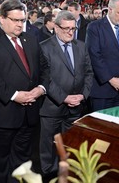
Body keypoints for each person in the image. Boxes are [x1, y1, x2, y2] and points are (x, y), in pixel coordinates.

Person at [0, 0, 50, 183]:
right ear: (1, 18)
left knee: (21, 166)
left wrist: (41, 89)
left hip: (28, 116)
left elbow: (45, 68)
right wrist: (15, 95)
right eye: (15, 20)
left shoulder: (30, 39)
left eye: (22, 20)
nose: (20, 24)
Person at [39, 10, 93, 181]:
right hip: (52, 107)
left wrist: (83, 95)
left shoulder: (81, 46)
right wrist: (64, 98)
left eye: (73, 28)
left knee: (71, 146)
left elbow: (89, 73)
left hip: (76, 107)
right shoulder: (44, 47)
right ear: (56, 27)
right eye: (66, 28)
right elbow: (45, 79)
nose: (71, 32)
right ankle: (49, 176)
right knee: (49, 148)